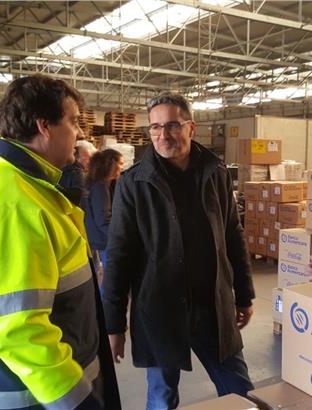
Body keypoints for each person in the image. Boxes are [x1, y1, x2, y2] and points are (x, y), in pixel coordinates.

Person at [0, 75, 121, 409]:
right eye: (72, 122)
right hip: (29, 399)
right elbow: (21, 330)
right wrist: (78, 402)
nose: (80, 133)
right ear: (44, 126)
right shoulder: (12, 203)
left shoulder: (20, 184)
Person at [103, 92, 255, 409]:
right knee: (161, 397)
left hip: (212, 308)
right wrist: (113, 324)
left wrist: (243, 294)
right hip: (160, 312)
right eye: (155, 127)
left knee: (239, 389)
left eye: (172, 125)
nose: (162, 135)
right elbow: (119, 254)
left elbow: (232, 235)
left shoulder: (216, 174)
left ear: (191, 127)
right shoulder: (134, 183)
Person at [84, 148, 124, 273]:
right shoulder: (100, 187)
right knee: (110, 277)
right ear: (112, 164)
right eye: (120, 163)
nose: (122, 167)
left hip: (94, 238)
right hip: (101, 240)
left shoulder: (98, 183)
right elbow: (103, 219)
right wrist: (119, 238)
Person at [59, 138, 96, 203]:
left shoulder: (62, 169)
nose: (90, 162)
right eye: (88, 158)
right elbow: (82, 199)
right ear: (76, 157)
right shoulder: (77, 173)